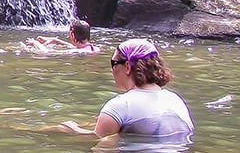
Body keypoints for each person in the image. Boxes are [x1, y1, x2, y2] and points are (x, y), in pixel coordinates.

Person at [60, 38, 194, 142]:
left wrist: (73, 129)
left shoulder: (121, 105)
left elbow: (97, 140)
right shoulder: (176, 100)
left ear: (128, 67)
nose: (112, 70)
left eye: (113, 64)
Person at [24, 19, 99, 54]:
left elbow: (47, 52)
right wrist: (55, 40)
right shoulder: (93, 48)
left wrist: (35, 43)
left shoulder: (78, 52)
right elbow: (76, 46)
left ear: (72, 35)